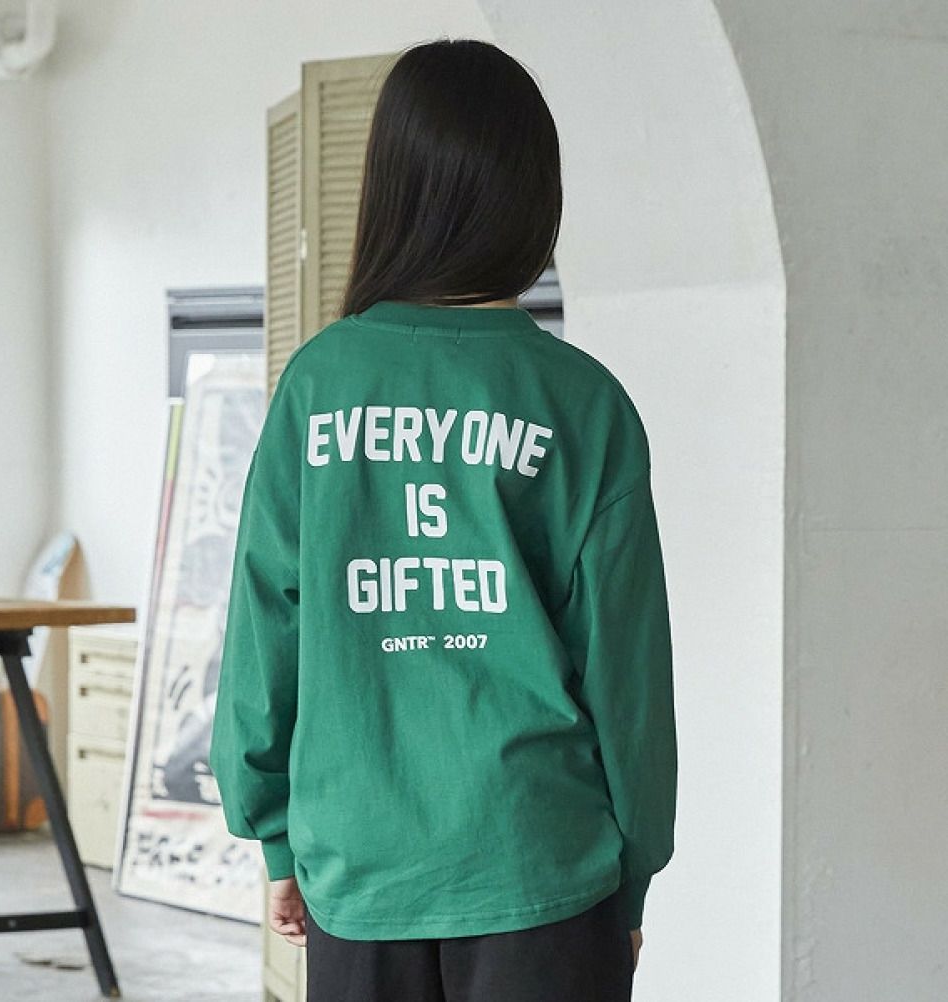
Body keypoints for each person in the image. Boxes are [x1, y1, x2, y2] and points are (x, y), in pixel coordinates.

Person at [209, 36, 677, 1002]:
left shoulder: (318, 386)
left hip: (360, 867)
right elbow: (628, 672)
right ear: (536, 196)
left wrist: (277, 836)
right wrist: (632, 874)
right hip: (543, 866)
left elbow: (265, 630)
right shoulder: (581, 402)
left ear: (390, 190)